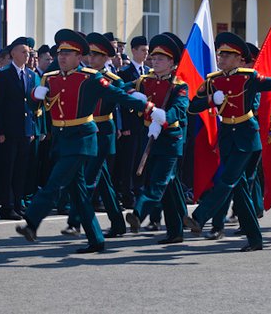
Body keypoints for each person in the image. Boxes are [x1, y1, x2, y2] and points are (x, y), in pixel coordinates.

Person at [16, 29, 164, 253]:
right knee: (79, 193)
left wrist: (147, 107)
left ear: (79, 57)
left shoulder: (90, 78)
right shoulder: (50, 78)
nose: (62, 57)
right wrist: (34, 96)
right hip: (61, 139)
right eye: (60, 53)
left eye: (68, 53)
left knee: (55, 182)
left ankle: (31, 223)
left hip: (82, 140)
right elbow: (35, 107)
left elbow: (118, 96)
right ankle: (96, 239)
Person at [183, 33, 271, 251]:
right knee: (240, 192)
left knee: (227, 178)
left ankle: (199, 216)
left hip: (246, 136)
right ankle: (255, 239)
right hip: (227, 137)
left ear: (238, 58)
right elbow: (193, 107)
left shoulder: (249, 77)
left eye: (226, 55)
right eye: (220, 54)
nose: (221, 58)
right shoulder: (214, 80)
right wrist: (211, 99)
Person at [123, 34, 188, 245]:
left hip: (170, 140)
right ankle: (177, 228)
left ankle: (138, 214)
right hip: (149, 138)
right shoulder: (144, 81)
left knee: (158, 182)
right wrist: (136, 95)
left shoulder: (179, 85)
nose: (155, 61)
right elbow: (124, 89)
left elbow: (179, 110)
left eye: (161, 58)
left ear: (171, 63)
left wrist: (163, 118)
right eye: (154, 57)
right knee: (169, 186)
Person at [60, 33, 127, 238]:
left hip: (103, 130)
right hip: (85, 130)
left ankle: (75, 221)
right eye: (90, 55)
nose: (92, 59)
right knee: (103, 181)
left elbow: (124, 98)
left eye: (98, 56)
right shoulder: (81, 75)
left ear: (107, 58)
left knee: (88, 178)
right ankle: (117, 223)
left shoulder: (112, 80)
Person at [0, 37, 39, 220]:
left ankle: (18, 203)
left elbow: (31, 105)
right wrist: (0, 131)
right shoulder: (3, 75)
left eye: (28, 53)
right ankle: (7, 205)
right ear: (12, 53)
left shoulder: (29, 75)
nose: (26, 55)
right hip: (9, 131)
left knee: (21, 170)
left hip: (25, 130)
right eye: (23, 52)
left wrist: (33, 129)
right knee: (8, 169)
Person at [116, 36, 150, 209]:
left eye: (147, 50)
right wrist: (125, 126)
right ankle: (127, 194)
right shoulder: (124, 73)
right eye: (143, 50)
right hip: (132, 123)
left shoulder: (149, 72)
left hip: (147, 124)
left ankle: (139, 191)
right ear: (134, 51)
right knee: (129, 161)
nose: (146, 53)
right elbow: (122, 101)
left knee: (142, 159)